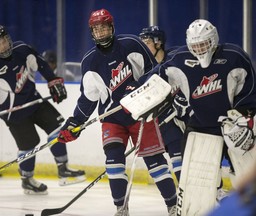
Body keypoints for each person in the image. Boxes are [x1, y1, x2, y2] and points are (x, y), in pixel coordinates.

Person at [57, 9, 178, 216]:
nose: (101, 32)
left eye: (104, 27)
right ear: (91, 32)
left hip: (142, 113)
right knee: (113, 162)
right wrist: (74, 122)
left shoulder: (132, 44)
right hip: (112, 119)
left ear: (112, 28)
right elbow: (88, 98)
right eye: (96, 29)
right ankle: (121, 208)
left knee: (155, 163)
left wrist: (137, 87)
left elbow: (155, 72)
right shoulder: (90, 61)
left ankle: (173, 205)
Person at [131, 19, 256, 215]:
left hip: (233, 126)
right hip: (200, 128)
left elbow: (249, 90)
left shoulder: (234, 57)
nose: (200, 49)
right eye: (195, 45)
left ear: (213, 40)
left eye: (204, 44)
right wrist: (138, 96)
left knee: (249, 177)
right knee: (196, 186)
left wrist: (243, 116)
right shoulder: (179, 59)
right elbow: (155, 78)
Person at [0, 24, 85, 195]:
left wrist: (52, 81)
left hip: (34, 100)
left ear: (8, 39)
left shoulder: (22, 49)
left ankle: (63, 169)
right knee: (29, 144)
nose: (2, 46)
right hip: (13, 113)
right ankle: (28, 180)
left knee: (58, 127)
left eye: (4, 41)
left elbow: (41, 64)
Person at [139, 26, 185, 182]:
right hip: (164, 120)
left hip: (186, 118)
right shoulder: (144, 68)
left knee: (189, 159)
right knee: (175, 158)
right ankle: (183, 196)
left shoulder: (176, 58)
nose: (143, 46)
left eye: (147, 42)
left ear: (158, 43)